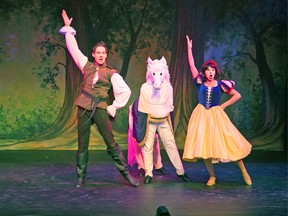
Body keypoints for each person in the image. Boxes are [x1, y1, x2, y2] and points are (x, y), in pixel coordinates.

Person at [59, 10, 139, 188]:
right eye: (98, 52)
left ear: (106, 55)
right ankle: (81, 176)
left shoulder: (111, 73)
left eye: (104, 53)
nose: (101, 55)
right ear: (94, 54)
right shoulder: (86, 65)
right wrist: (68, 28)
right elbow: (74, 49)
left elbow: (124, 91)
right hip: (84, 106)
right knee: (82, 143)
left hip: (101, 108)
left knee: (111, 142)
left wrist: (114, 107)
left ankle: (126, 174)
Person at [183, 35, 252, 186]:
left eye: (212, 70)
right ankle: (212, 176)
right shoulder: (200, 81)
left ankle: (243, 171)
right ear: (204, 72)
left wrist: (223, 106)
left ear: (215, 71)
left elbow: (237, 95)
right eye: (207, 70)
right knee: (205, 147)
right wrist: (189, 49)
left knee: (229, 143)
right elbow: (192, 67)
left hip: (216, 117)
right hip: (202, 116)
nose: (210, 72)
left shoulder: (221, 84)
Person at [133, 57, 191, 184]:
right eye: (154, 73)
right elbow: (142, 109)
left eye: (160, 73)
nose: (157, 77)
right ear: (150, 74)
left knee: (170, 145)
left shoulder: (168, 88)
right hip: (149, 120)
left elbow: (169, 107)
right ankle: (149, 172)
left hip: (163, 120)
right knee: (147, 146)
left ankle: (180, 171)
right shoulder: (145, 88)